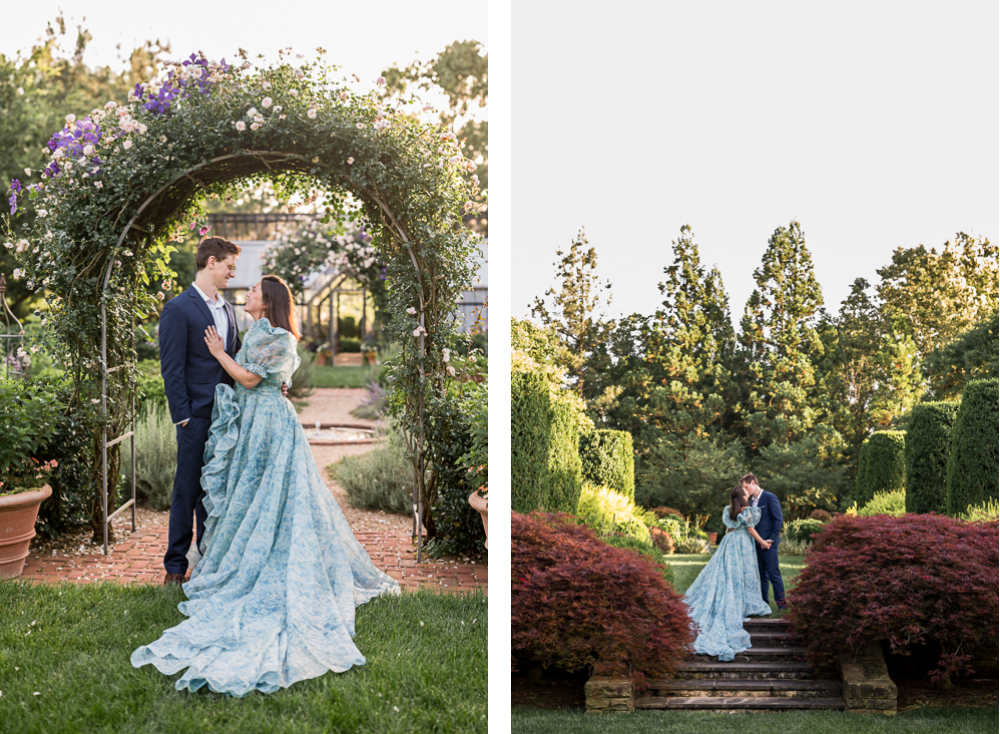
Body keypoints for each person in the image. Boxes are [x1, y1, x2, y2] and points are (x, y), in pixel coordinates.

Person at [132, 275, 400, 696]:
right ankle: (221, 558)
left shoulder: (281, 337)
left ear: (269, 300)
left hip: (271, 426)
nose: (248, 292)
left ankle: (270, 555)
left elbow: (252, 379)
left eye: (255, 290)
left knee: (277, 495)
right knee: (249, 495)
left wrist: (220, 354)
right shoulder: (254, 328)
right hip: (249, 424)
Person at [158, 237, 243, 586]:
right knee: (187, 490)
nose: (232, 274)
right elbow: (172, 368)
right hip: (195, 416)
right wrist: (183, 417)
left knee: (216, 491)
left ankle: (208, 560)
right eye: (229, 267)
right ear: (211, 262)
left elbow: (234, 360)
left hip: (226, 417)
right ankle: (176, 567)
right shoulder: (179, 308)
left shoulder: (230, 310)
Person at [682, 484, 774, 661]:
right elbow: (750, 529)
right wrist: (763, 542)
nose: (748, 494)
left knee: (727, 573)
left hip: (729, 542)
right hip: (743, 544)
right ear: (743, 497)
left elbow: (730, 528)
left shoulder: (728, 510)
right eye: (746, 493)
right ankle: (743, 603)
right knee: (741, 574)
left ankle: (737, 599)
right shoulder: (748, 511)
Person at [741, 472, 786, 610]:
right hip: (755, 544)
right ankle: (763, 604)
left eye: (746, 486)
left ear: (753, 483)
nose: (745, 490)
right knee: (761, 575)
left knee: (773, 573)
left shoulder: (770, 497)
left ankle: (781, 604)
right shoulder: (750, 503)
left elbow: (778, 520)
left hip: (768, 543)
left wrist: (771, 539)